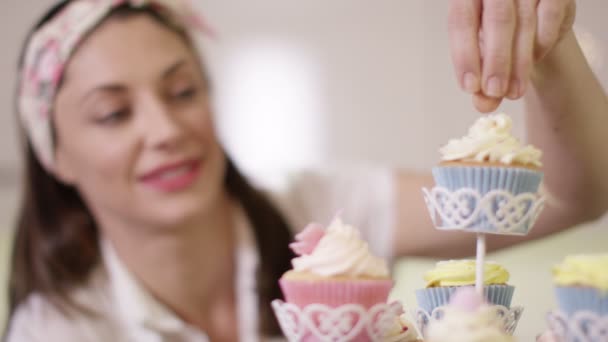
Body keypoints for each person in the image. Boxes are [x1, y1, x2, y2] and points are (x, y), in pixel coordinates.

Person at [3, 0, 607, 341]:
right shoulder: (54, 330)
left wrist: (548, 57)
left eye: (183, 91)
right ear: (55, 156)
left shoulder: (325, 211)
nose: (164, 130)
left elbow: (570, 197)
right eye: (112, 113)